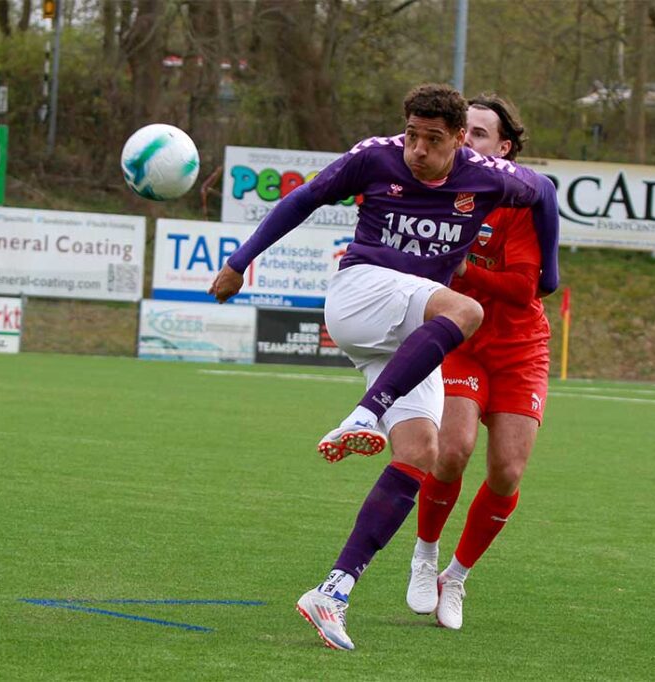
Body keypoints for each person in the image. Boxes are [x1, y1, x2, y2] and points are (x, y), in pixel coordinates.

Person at [209, 83, 560, 651]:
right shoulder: (375, 156)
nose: (418, 150)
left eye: (433, 140)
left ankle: (332, 591)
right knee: (465, 309)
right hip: (361, 295)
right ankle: (364, 414)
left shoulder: (487, 176)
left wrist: (549, 276)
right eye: (413, 136)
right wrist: (239, 261)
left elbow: (543, 192)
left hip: (409, 333)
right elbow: (304, 199)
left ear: (456, 142)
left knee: (421, 452)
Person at [403, 94, 552, 632]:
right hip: (462, 339)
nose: (467, 140)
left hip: (518, 347)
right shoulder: (442, 192)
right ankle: (424, 554)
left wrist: (464, 269)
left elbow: (523, 288)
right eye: (462, 132)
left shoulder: (523, 201)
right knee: (452, 451)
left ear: (504, 148)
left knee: (508, 472)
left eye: (479, 133)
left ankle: (456, 576)